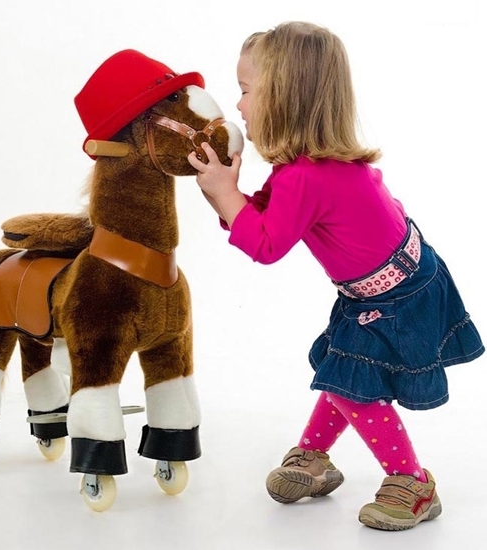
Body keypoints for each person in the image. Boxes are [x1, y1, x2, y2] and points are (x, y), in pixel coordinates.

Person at [187, 21, 484, 531]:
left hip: (397, 297)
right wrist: (229, 191)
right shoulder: (306, 167)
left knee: (350, 382)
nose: (237, 106)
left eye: (245, 91)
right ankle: (314, 458)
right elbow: (264, 215)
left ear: (282, 97)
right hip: (391, 284)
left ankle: (412, 482)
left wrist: (223, 194)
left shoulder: (306, 175)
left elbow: (265, 244)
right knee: (343, 370)